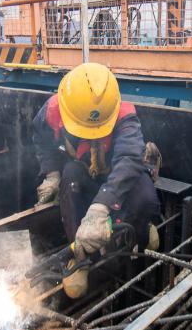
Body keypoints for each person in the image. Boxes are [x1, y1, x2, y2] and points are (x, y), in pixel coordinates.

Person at [32, 62, 161, 298]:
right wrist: (51, 174)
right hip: (83, 169)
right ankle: (79, 257)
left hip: (116, 173)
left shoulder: (124, 115)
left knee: (145, 198)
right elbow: (42, 140)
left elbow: (129, 159)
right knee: (70, 178)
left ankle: (140, 230)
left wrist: (101, 207)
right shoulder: (52, 111)